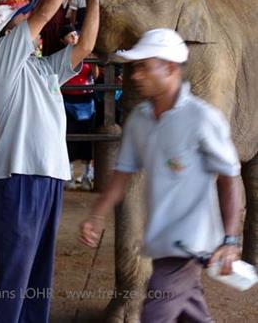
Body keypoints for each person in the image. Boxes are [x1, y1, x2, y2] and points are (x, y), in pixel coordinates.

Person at [0, 0, 114, 323]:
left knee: (39, 275)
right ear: (9, 32)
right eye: (23, 18)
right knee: (14, 276)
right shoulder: (3, 61)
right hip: (17, 176)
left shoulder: (41, 69)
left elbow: (86, 45)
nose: (33, 22)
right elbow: (40, 15)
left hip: (49, 176)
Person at [80, 28, 242, 323]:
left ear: (169, 68)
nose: (136, 75)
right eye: (135, 67)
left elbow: (229, 177)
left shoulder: (202, 118)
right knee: (191, 314)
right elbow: (123, 173)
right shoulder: (140, 119)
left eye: (144, 66)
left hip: (191, 243)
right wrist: (97, 214)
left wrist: (231, 239)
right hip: (162, 241)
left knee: (156, 313)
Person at [60, 25, 98, 191]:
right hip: (67, 99)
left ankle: (86, 176)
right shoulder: (61, 57)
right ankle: (67, 175)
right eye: (70, 36)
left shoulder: (87, 55)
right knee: (68, 138)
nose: (74, 38)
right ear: (63, 40)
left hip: (86, 99)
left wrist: (93, 60)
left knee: (87, 139)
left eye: (75, 35)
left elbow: (95, 76)